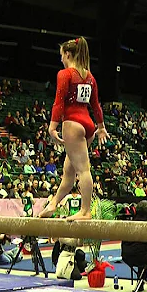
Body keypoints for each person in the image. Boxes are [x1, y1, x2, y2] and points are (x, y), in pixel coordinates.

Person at [38, 37, 108, 221]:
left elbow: (58, 102)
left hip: (72, 124)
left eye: (61, 55)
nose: (61, 59)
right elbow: (96, 105)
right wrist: (100, 127)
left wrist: (52, 127)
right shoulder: (89, 77)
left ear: (68, 54)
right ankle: (53, 204)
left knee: (83, 170)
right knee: (68, 173)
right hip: (87, 125)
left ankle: (86, 211)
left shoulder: (66, 74)